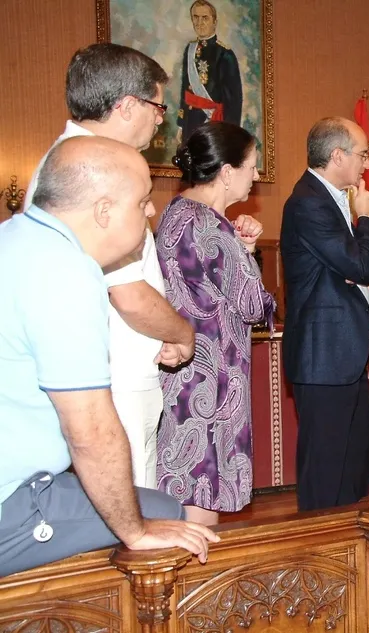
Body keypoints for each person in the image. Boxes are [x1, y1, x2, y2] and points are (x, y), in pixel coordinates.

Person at [0, 136, 218, 577]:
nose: (151, 212)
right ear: (103, 211)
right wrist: (137, 532)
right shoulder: (66, 270)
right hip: (11, 503)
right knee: (170, 518)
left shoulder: (15, 236)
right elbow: (90, 432)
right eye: (141, 202)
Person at [23, 42, 195, 490]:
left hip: (115, 372)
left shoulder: (74, 161)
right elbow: (128, 294)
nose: (162, 119)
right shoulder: (91, 175)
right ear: (126, 105)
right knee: (132, 523)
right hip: (110, 379)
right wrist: (180, 332)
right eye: (157, 106)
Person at [155, 122, 275, 526]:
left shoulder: (176, 212)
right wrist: (248, 256)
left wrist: (244, 250)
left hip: (185, 376)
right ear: (226, 172)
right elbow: (254, 304)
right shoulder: (210, 225)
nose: (256, 176)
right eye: (252, 166)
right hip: (213, 380)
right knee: (200, 503)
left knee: (185, 491)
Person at [280, 117, 369, 512]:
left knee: (353, 463)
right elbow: (359, 266)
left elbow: (366, 269)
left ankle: (348, 551)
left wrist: (362, 224)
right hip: (323, 355)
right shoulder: (307, 201)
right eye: (363, 155)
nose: (368, 165)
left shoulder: (334, 198)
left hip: (344, 353)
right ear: (337, 155)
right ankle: (317, 555)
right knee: (325, 470)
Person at [177, 0, 243, 144]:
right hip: (190, 123)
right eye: (196, 17)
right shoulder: (190, 49)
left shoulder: (225, 54)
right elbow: (185, 90)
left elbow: (233, 101)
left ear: (214, 21)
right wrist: (181, 124)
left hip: (213, 123)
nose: (199, 22)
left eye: (205, 18)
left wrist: (229, 133)